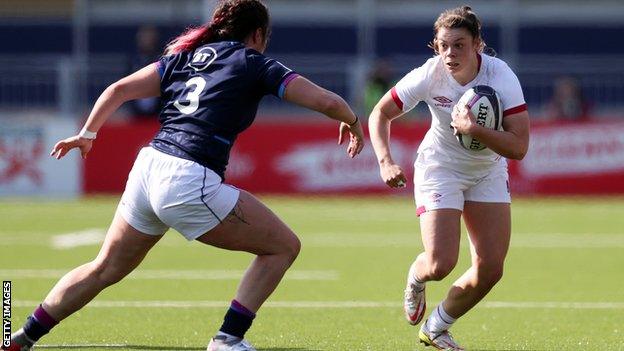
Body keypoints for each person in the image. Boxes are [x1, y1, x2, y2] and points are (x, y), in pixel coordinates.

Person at [4, 1, 364, 351]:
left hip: (148, 167)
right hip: (187, 177)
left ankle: (20, 336)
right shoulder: (254, 63)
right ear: (257, 34)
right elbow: (327, 102)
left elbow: (118, 90)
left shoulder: (184, 58)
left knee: (104, 267)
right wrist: (351, 120)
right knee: (283, 247)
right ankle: (227, 339)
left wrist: (88, 133)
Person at [368, 6, 529, 350]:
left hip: (487, 170)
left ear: (477, 45)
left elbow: (519, 147)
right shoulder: (430, 75)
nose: (451, 53)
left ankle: (437, 327)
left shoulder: (501, 78)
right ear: (435, 47)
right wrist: (385, 161)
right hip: (440, 168)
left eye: (459, 45)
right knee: (440, 264)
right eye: (444, 46)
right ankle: (416, 276)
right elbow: (380, 113)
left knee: (490, 270)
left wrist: (475, 129)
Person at [128, 25, 162, 118]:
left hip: (157, 113)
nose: (146, 40)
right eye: (143, 37)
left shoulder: (161, 58)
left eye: (149, 37)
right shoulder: (134, 60)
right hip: (136, 112)